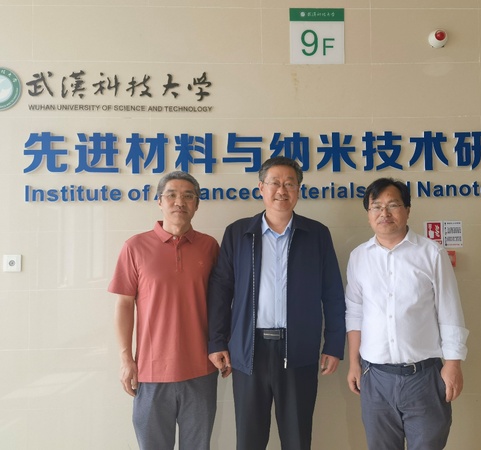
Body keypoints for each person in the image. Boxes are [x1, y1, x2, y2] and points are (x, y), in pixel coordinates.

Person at [208, 156, 346, 450]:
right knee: (249, 439)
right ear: (261, 188)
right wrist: (217, 341)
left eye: (289, 184)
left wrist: (334, 344)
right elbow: (221, 291)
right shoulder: (238, 233)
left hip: (298, 349)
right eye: (274, 183)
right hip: (248, 350)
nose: (282, 190)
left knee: (297, 439)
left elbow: (333, 292)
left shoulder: (316, 234)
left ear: (298, 190)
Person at [345, 177, 469, 450]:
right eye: (376, 207)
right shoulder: (358, 257)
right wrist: (354, 363)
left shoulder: (431, 253)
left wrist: (453, 364)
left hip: (424, 377)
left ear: (407, 210)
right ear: (368, 214)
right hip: (375, 377)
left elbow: (450, 311)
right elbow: (354, 313)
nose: (384, 213)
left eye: (393, 205)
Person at [108, 171, 219, 450]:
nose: (179, 202)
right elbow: (124, 304)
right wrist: (126, 359)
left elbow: (222, 302)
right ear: (159, 201)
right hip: (150, 371)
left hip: (201, 369)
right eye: (171, 195)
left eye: (188, 196)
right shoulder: (135, 247)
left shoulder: (209, 247)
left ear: (197, 204)